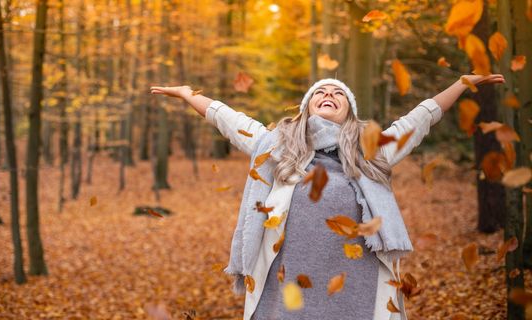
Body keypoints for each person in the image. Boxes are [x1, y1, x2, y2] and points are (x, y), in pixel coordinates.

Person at [150, 74, 505, 320]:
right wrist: (187, 94)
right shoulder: (275, 146)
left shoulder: (371, 148)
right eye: (320, 93)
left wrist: (459, 85)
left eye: (338, 94)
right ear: (307, 108)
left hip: (357, 284)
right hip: (286, 285)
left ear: (349, 111)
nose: (328, 96)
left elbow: (417, 122)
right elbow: (230, 120)